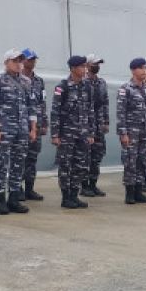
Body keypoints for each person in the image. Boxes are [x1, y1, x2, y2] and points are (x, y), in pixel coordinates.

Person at [0, 49, 37, 215]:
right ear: (6, 62)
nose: (18, 64)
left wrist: (33, 128)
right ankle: (0, 199)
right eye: (15, 61)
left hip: (22, 130)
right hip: (4, 129)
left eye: (20, 61)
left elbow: (31, 106)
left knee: (18, 164)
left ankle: (14, 198)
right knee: (0, 163)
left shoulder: (26, 82)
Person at [51, 55, 94, 209]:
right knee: (65, 166)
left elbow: (90, 111)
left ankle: (74, 195)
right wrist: (55, 134)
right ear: (73, 68)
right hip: (66, 134)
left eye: (85, 66)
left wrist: (90, 133)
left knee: (81, 166)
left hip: (82, 134)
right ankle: (66, 197)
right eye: (82, 66)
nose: (85, 69)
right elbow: (55, 111)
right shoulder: (62, 87)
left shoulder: (87, 87)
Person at [117, 57, 146, 204]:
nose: (144, 71)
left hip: (145, 133)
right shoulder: (125, 89)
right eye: (141, 68)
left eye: (145, 68)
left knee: (143, 161)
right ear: (134, 70)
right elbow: (121, 112)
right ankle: (129, 193)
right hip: (131, 133)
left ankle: (139, 192)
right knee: (130, 162)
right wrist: (123, 133)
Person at [20, 48, 46, 201]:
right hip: (21, 125)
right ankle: (18, 188)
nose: (32, 62)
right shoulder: (18, 79)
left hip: (36, 126)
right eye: (30, 59)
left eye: (34, 59)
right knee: (19, 158)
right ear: (22, 60)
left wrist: (44, 123)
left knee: (32, 158)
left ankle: (29, 189)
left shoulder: (39, 81)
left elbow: (42, 103)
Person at [82, 54, 109, 197]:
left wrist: (106, 121)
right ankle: (84, 186)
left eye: (98, 64)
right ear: (87, 65)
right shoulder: (82, 82)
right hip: (86, 125)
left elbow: (105, 102)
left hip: (99, 125)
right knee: (85, 157)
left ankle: (93, 184)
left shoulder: (101, 83)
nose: (97, 66)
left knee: (97, 156)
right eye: (94, 64)